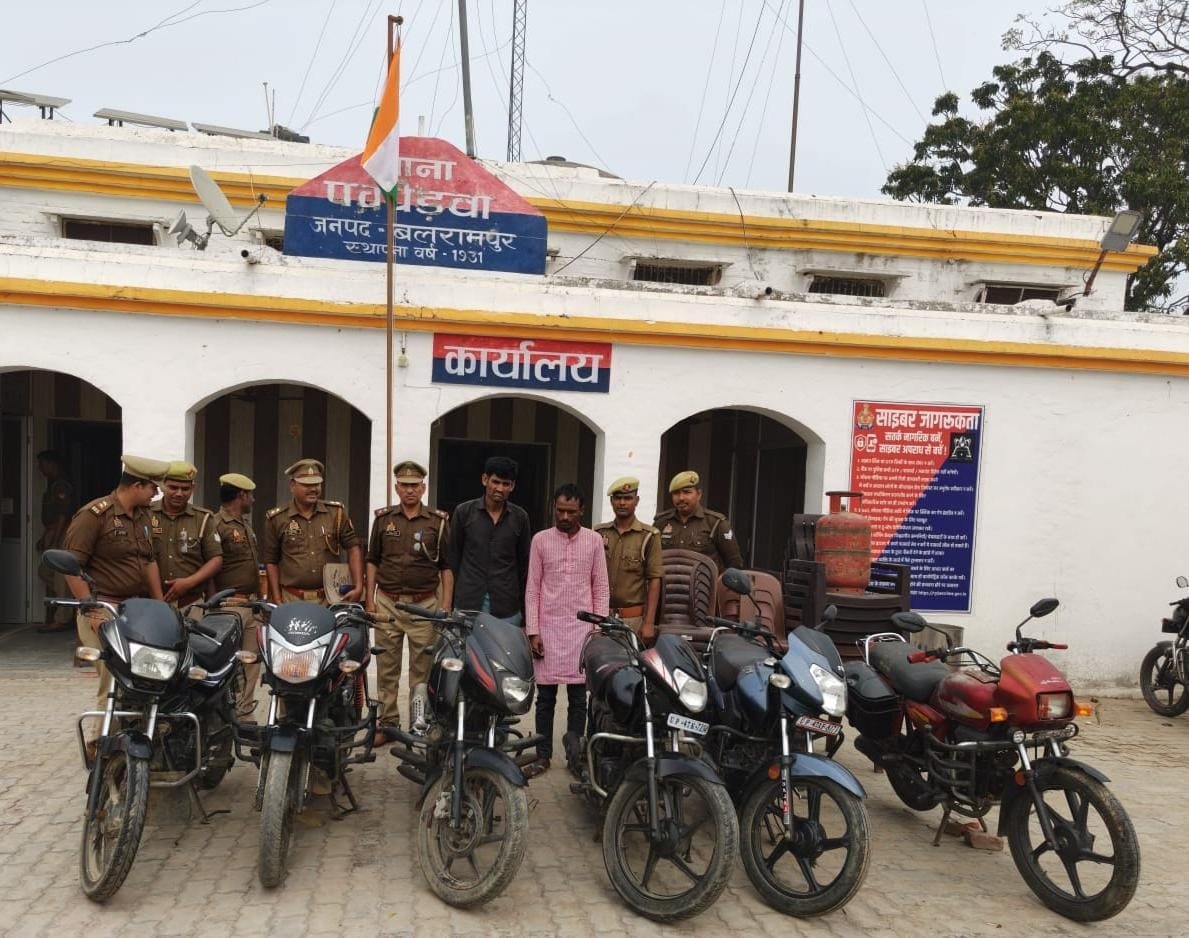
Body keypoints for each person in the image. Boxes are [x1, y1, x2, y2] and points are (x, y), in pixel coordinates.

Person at [62, 454, 170, 753]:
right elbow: (71, 566)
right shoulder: (94, 515)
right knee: (112, 678)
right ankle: (100, 745)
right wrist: (91, 608)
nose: (156, 494)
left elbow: (148, 562)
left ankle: (135, 740)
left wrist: (160, 606)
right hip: (104, 609)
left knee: (144, 675)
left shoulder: (142, 517)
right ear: (137, 486)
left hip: (136, 612)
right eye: (153, 488)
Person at [365, 460, 453, 744]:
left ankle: (419, 724)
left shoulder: (438, 521)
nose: (410, 490)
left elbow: (446, 567)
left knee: (421, 671)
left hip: (424, 605)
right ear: (396, 487)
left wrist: (445, 605)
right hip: (387, 603)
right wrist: (369, 600)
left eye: (415, 485)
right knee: (386, 669)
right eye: (405, 485)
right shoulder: (383, 519)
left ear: (423, 487)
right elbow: (372, 560)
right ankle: (388, 724)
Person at [524, 483, 609, 777]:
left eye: (570, 512)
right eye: (560, 510)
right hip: (548, 628)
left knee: (578, 698)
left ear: (581, 511)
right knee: (545, 698)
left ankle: (575, 757)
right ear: (554, 508)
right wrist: (533, 630)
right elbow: (533, 588)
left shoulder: (594, 541)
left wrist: (598, 629)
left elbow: (601, 587)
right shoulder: (540, 540)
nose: (564, 516)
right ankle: (543, 755)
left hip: (582, 630)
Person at [262, 458, 363, 605]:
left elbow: (353, 548)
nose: (313, 489)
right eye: (306, 485)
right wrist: (277, 599)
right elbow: (271, 561)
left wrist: (358, 586)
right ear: (292, 485)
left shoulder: (336, 513)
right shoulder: (277, 518)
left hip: (330, 598)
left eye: (317, 484)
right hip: (291, 598)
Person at [448, 455, 531, 624]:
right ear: (485, 479)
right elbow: (453, 560)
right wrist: (448, 603)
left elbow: (524, 565)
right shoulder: (464, 512)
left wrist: (525, 612)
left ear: (512, 486)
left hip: (506, 607)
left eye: (505, 484)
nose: (499, 488)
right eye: (496, 482)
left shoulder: (520, 517)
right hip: (468, 604)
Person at [212, 472, 263, 721]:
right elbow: (211, 566)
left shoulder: (245, 524)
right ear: (241, 495)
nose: (253, 499)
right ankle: (224, 716)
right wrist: (214, 603)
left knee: (251, 661)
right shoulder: (216, 524)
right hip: (229, 605)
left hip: (251, 604)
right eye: (250, 495)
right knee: (227, 664)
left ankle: (245, 716)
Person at [596, 476, 663, 644]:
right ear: (611, 501)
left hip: (633, 620)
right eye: (618, 498)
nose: (622, 503)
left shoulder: (649, 536)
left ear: (637, 500)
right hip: (600, 618)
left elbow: (654, 580)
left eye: (627, 498)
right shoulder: (598, 533)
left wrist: (649, 622)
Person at [150, 460, 223, 608]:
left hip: (190, 604)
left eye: (185, 489)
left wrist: (188, 583)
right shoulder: (145, 513)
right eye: (173, 487)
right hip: (150, 604)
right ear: (163, 486)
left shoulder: (203, 518)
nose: (179, 493)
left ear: (193, 488)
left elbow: (216, 560)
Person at [653, 470, 743, 572]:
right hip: (668, 581)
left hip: (703, 582)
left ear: (699, 494)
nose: (681, 498)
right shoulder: (661, 522)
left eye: (687, 492)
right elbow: (651, 560)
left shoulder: (716, 523)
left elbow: (734, 564)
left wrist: (719, 581)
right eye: (676, 493)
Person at [35, 449, 74, 633]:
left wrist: (56, 540)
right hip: (54, 531)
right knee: (45, 572)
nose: (40, 468)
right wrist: (45, 537)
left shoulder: (61, 485)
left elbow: (62, 516)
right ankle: (73, 600)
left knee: (60, 578)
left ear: (51, 464)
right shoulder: (52, 484)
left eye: (42, 464)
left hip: (63, 533)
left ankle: (62, 618)